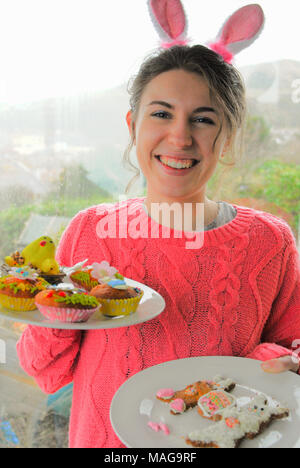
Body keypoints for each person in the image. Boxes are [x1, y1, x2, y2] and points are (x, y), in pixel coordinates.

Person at [16, 45, 300, 449]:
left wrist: (262, 368)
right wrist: (61, 302)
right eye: (161, 114)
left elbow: (292, 346)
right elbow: (44, 370)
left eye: (203, 120)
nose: (180, 136)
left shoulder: (270, 242)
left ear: (227, 139)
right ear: (133, 126)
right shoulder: (91, 231)